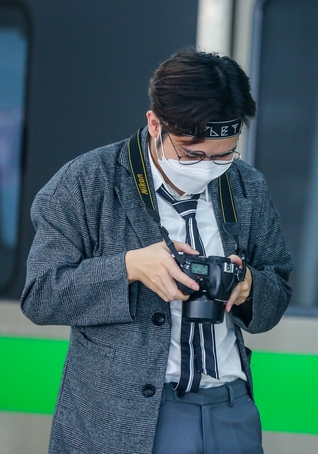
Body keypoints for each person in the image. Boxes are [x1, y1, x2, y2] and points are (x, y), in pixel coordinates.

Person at [21, 50, 293, 454]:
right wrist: (129, 267)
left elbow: (278, 291)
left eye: (224, 154)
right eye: (191, 153)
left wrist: (250, 286)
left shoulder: (246, 186)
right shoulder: (87, 181)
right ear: (154, 123)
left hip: (230, 411)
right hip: (123, 420)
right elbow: (40, 295)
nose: (208, 166)